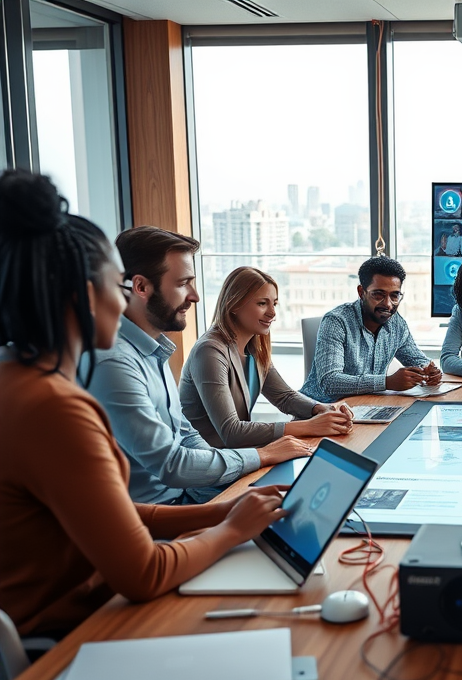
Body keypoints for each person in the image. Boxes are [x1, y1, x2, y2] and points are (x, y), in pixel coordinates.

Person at [0, 171, 290, 637]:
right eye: (117, 286)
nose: (124, 302)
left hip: (90, 606)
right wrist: (232, 532)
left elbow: (110, 511)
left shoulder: (21, 379)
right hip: (70, 637)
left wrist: (220, 513)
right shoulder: (53, 407)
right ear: (84, 295)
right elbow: (145, 573)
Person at [87, 226, 309, 505]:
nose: (195, 296)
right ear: (141, 287)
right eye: (183, 284)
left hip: (190, 493)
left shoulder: (153, 351)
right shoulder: (116, 364)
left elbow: (187, 434)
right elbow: (172, 464)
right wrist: (262, 455)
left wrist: (227, 482)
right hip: (161, 512)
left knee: (295, 499)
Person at [179, 266, 354, 449]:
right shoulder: (209, 351)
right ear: (235, 305)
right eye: (262, 303)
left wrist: (322, 409)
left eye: (274, 304)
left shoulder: (254, 346)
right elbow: (231, 432)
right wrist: (310, 426)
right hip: (206, 460)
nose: (272, 313)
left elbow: (284, 397)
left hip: (235, 455)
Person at [300, 255, 440, 400]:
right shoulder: (337, 322)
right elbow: (329, 382)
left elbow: (415, 358)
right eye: (378, 295)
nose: (388, 304)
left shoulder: (396, 323)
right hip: (321, 409)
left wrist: (429, 370)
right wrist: (387, 382)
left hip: (368, 406)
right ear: (361, 292)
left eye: (394, 296)